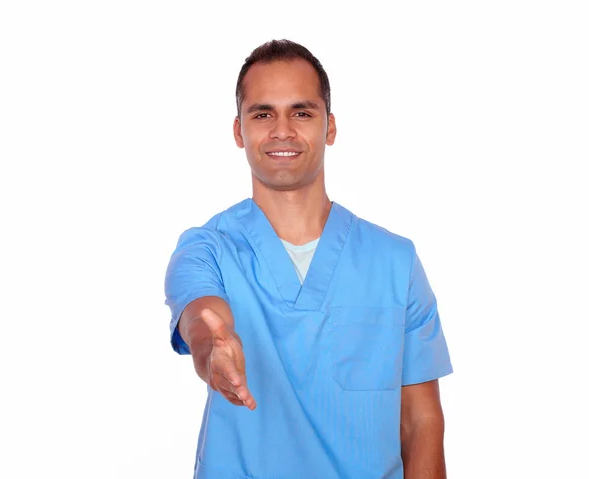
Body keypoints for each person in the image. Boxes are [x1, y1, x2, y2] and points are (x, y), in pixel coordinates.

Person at [164, 39, 453, 479]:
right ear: (239, 130)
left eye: (301, 112)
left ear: (329, 127)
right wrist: (212, 349)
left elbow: (420, 422)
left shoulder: (395, 262)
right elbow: (202, 316)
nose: (282, 130)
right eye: (263, 114)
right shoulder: (207, 249)